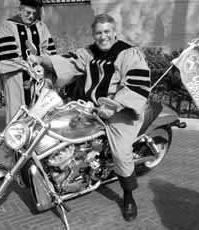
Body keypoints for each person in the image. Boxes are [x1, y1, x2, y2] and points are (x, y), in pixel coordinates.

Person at [30, 14, 151, 221]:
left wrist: (115, 106)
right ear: (94, 34)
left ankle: (129, 196)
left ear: (114, 32)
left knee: (121, 152)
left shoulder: (129, 54)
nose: (103, 36)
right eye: (98, 33)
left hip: (120, 111)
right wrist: (42, 60)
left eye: (106, 32)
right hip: (89, 108)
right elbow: (69, 62)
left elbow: (137, 84)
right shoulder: (88, 52)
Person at [0, 0, 56, 124]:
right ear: (20, 10)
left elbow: (48, 50)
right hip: (16, 76)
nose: (31, 16)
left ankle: (36, 139)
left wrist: (41, 64)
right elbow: (8, 55)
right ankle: (16, 137)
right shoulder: (8, 26)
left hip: (38, 77)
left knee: (39, 107)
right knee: (17, 108)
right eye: (28, 13)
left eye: (34, 13)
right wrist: (28, 67)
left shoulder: (40, 26)